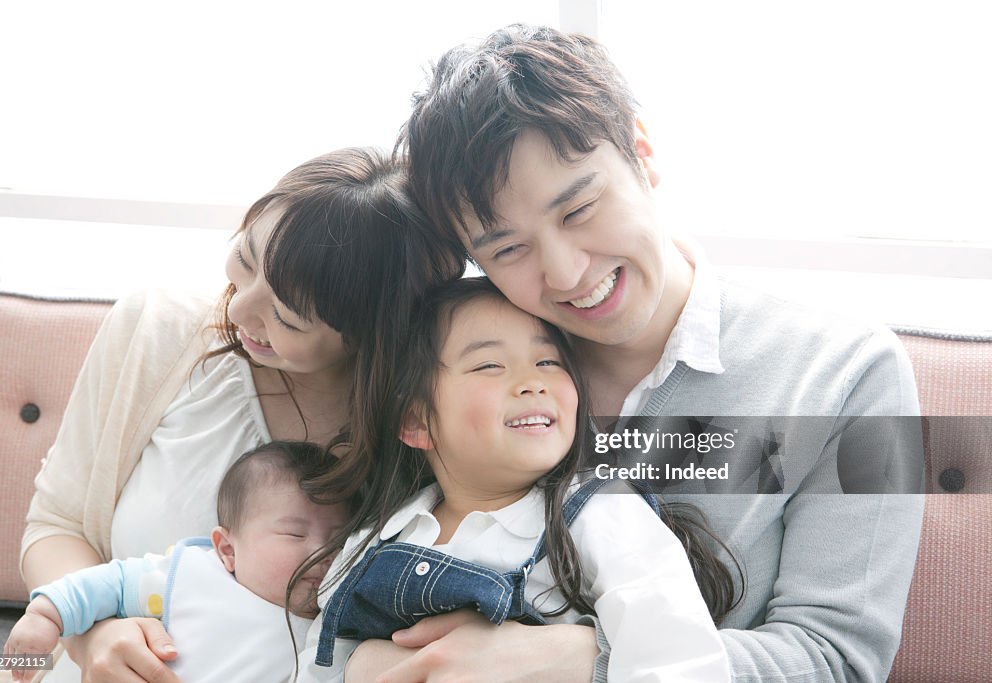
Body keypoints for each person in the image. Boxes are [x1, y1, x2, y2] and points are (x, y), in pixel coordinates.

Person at [378, 24, 925, 683]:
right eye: (508, 250)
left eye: (579, 208)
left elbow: (838, 659)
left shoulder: (848, 373)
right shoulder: (477, 375)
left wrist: (590, 660)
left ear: (642, 151)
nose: (566, 271)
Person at [17, 148, 462, 683]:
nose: (238, 310)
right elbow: (56, 523)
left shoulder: (425, 427)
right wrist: (94, 635)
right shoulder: (156, 331)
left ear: (371, 336)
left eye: (286, 317)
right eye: (246, 260)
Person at [297, 277, 735, 682]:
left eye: (548, 360)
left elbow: (678, 656)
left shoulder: (601, 512)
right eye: (489, 365)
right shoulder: (378, 538)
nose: (533, 382)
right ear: (416, 420)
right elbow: (319, 661)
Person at [6, 441, 347, 683]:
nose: (322, 552)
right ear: (227, 549)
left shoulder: (340, 621)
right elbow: (113, 583)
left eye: (339, 539)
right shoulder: (191, 575)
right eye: (294, 535)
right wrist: (46, 615)